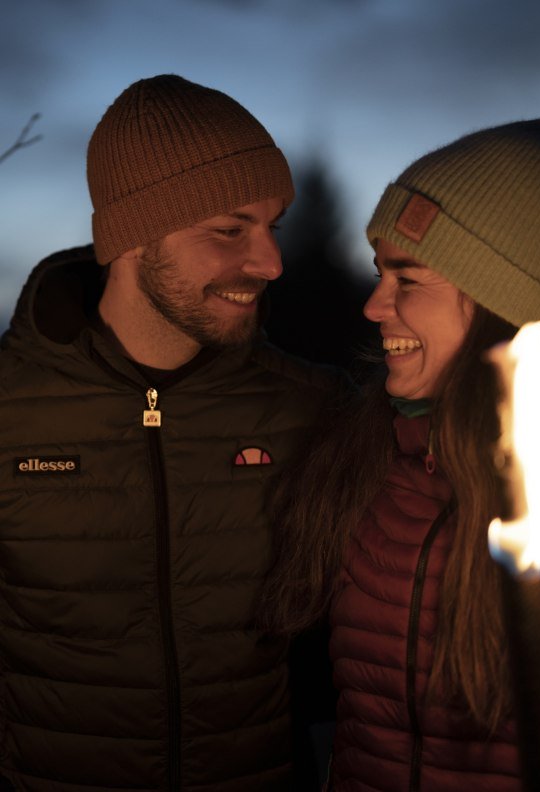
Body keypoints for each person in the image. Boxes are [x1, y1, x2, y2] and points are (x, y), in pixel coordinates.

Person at [262, 119, 540, 790]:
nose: (374, 306)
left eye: (408, 279)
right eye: (379, 274)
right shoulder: (362, 461)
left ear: (498, 303)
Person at [0, 74, 345, 791]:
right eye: (229, 230)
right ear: (132, 235)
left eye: (271, 226)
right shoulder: (10, 409)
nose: (270, 263)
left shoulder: (311, 410)